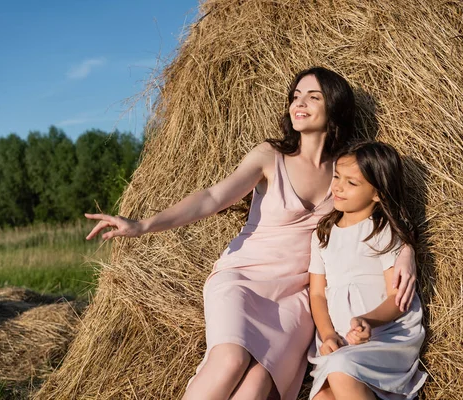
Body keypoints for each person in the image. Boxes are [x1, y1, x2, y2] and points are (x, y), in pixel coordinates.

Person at [84, 67, 418, 400]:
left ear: (334, 107)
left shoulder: (345, 169)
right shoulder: (270, 156)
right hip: (244, 277)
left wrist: (408, 250)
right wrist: (143, 225)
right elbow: (213, 197)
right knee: (230, 360)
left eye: (312, 97)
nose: (299, 103)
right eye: (295, 96)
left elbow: (386, 203)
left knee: (257, 386)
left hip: (297, 297)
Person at [307, 141, 426, 400]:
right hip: (338, 339)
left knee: (341, 370)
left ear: (377, 193)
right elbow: (317, 294)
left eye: (351, 183)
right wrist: (327, 334)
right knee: (321, 397)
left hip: (385, 334)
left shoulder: (382, 232)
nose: (337, 186)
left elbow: (398, 299)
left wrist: (368, 321)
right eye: (337, 176)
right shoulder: (322, 235)